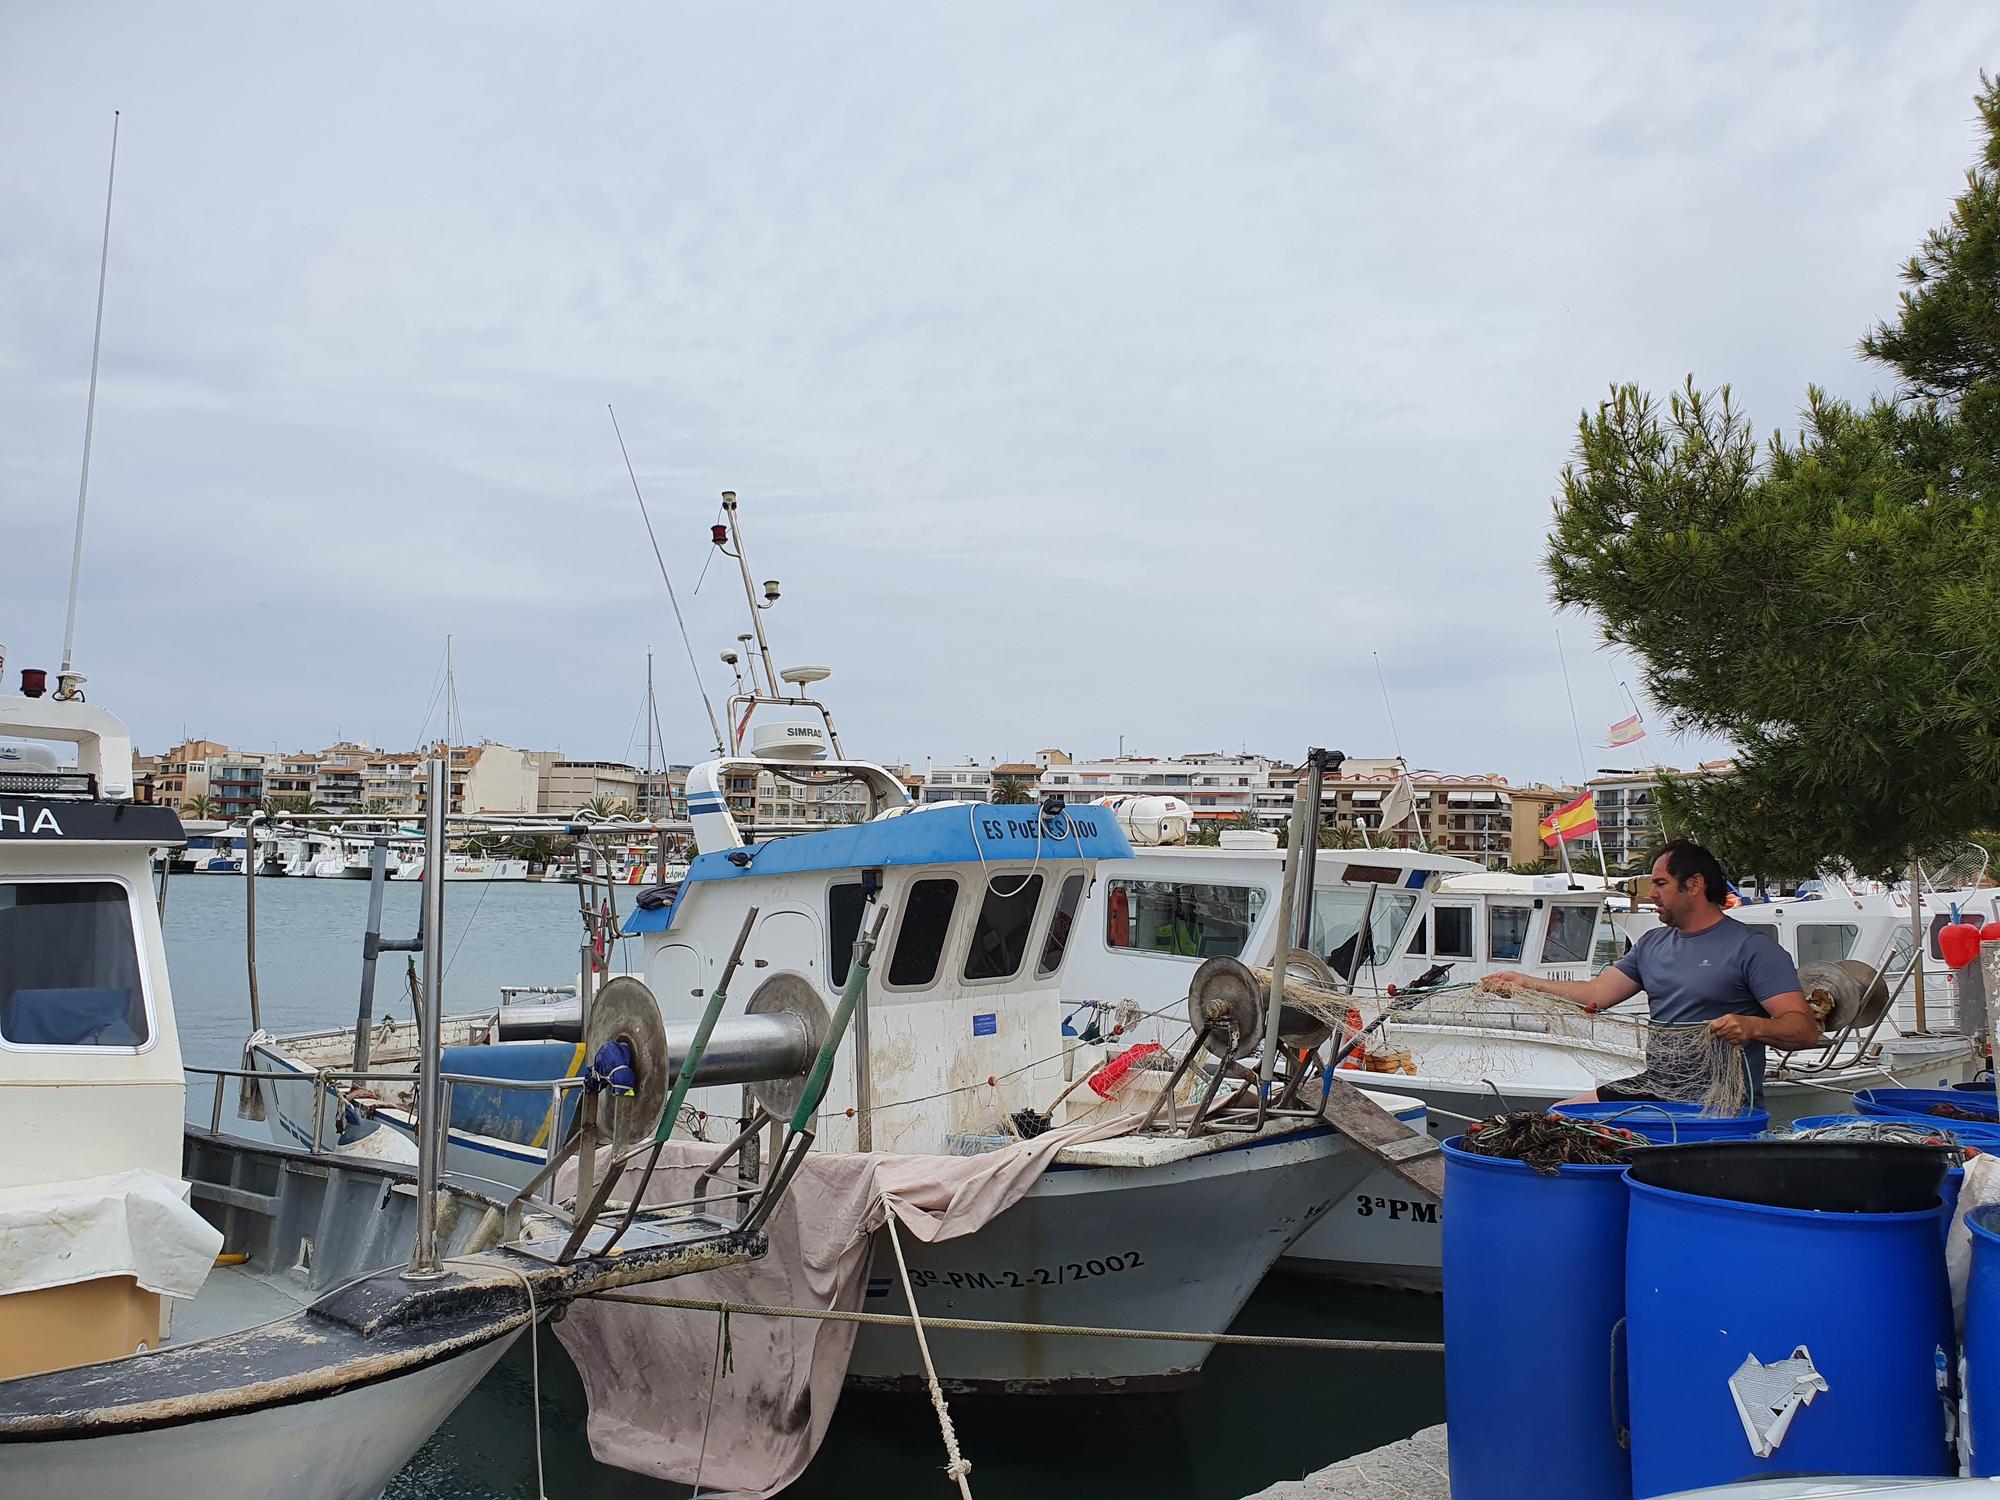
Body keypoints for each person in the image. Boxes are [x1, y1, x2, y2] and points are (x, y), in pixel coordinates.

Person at [1480, 839, 1818, 1104]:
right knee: (1560, 1114)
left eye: (1660, 883)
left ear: (1694, 884)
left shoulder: (1753, 949)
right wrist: (1525, 984)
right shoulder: (1652, 943)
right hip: (1656, 1087)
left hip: (1720, 1103)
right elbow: (1597, 995)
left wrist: (1752, 1026)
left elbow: (1804, 1031)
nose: (1652, 894)